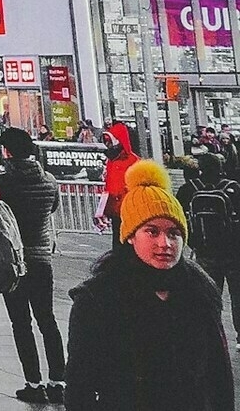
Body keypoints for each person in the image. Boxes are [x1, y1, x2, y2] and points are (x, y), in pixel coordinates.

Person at [65, 159, 233, 408]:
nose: (165, 243)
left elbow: (219, 375)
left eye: (174, 233)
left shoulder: (199, 291)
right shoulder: (98, 297)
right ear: (131, 236)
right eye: (152, 231)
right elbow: (80, 385)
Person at [0, 127, 66, 402]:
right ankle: (58, 382)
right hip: (41, 259)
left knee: (21, 323)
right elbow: (52, 209)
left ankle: (34, 384)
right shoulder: (48, 181)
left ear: (8, 151)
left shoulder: (2, 183)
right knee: (47, 320)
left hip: (14, 261)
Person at [180, 149, 240, 345]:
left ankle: (212, 334)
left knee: (209, 295)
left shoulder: (189, 190)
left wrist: (193, 243)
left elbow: (180, 220)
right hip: (233, 252)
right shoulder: (233, 188)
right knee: (237, 295)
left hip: (205, 252)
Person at [95, 122, 139, 250]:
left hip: (129, 209)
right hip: (115, 210)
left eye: (110, 141)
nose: (107, 144)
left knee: (128, 243)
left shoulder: (133, 161)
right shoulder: (111, 161)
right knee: (118, 242)